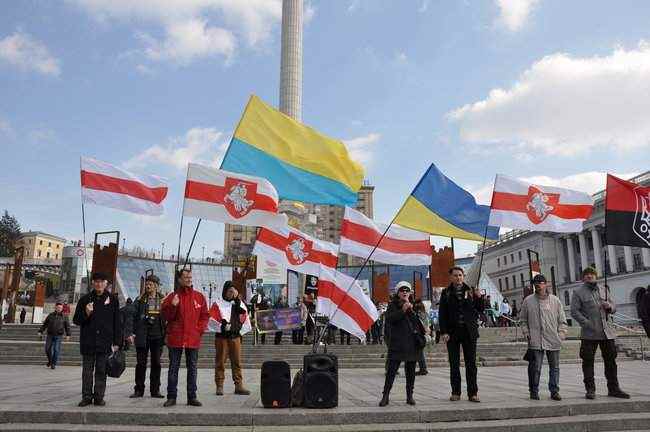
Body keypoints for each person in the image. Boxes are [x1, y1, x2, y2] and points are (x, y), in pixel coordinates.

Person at [571, 267, 630, 399]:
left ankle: (614, 388)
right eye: (586, 275)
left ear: (596, 276)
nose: (589, 276)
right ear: (583, 278)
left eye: (592, 274)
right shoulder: (578, 292)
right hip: (589, 333)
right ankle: (590, 390)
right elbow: (574, 312)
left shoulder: (604, 289)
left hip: (606, 332)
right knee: (588, 361)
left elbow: (614, 307)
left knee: (611, 361)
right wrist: (587, 323)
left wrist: (609, 307)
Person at [161, 268, 209, 407]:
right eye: (186, 277)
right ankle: (171, 396)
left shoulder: (199, 297)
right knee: (173, 367)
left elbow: (204, 316)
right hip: (175, 338)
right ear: (179, 279)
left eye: (190, 277)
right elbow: (166, 316)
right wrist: (173, 306)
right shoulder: (172, 296)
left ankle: (192, 396)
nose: (189, 279)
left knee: (192, 368)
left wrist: (199, 330)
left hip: (192, 339)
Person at [73, 272, 121, 407]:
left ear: (106, 283)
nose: (99, 284)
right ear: (93, 283)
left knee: (101, 370)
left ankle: (99, 396)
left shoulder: (113, 300)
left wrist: (117, 342)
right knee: (87, 372)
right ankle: (86, 396)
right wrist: (86, 313)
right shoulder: (85, 300)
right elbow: (76, 320)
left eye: (102, 281)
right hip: (88, 341)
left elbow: (117, 322)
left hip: (105, 342)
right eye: (96, 281)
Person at [439, 267, 483, 402]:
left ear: (463, 276)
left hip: (469, 332)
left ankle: (473, 393)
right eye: (455, 275)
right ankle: (456, 392)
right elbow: (442, 314)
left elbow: (480, 309)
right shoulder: (446, 293)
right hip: (453, 333)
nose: (458, 278)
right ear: (451, 277)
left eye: (460, 275)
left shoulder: (470, 291)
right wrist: (444, 332)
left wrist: (479, 297)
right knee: (454, 363)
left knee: (471, 363)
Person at [519, 274, 567, 401]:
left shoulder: (555, 300)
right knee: (535, 368)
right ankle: (534, 391)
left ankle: (554, 391)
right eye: (535, 283)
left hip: (553, 338)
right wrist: (526, 333)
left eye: (540, 283)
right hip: (535, 339)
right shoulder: (528, 301)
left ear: (546, 284)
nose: (538, 285)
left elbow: (562, 320)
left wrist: (561, 334)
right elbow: (522, 320)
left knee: (555, 367)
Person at [379, 281, 424, 407]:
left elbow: (417, 322)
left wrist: (423, 328)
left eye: (407, 290)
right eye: (402, 291)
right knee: (391, 371)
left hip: (412, 343)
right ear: (397, 293)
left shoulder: (414, 305)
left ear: (410, 293)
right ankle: (385, 395)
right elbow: (390, 319)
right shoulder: (392, 306)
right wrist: (403, 311)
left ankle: (409, 395)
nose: (404, 292)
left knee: (410, 371)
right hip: (397, 344)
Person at [128, 274, 166, 399]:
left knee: (156, 363)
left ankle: (155, 390)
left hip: (158, 336)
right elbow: (132, 315)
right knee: (141, 364)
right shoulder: (140, 299)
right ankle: (138, 390)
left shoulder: (163, 299)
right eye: (147, 284)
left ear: (156, 286)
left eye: (150, 284)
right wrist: (131, 332)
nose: (148, 286)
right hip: (142, 336)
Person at [211, 281, 251, 396]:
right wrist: (222, 326)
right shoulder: (218, 304)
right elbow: (212, 318)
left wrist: (239, 331)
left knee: (237, 362)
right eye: (229, 291)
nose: (231, 293)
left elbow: (245, 317)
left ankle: (238, 385)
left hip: (235, 337)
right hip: (222, 338)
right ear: (225, 291)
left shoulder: (239, 304)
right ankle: (219, 386)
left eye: (233, 291)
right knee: (220, 362)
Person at [38, 302, 71, 369]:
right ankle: (50, 361)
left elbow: (67, 326)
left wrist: (68, 335)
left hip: (58, 336)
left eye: (61, 308)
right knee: (47, 349)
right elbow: (45, 324)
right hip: (50, 335)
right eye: (58, 307)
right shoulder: (50, 315)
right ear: (55, 308)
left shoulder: (65, 316)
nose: (59, 309)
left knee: (56, 350)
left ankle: (53, 363)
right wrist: (40, 331)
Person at [414, 299, 430, 375]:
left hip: (421, 334)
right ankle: (423, 368)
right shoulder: (424, 313)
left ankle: (423, 369)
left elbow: (422, 324)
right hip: (423, 334)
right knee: (420, 352)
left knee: (420, 352)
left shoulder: (419, 313)